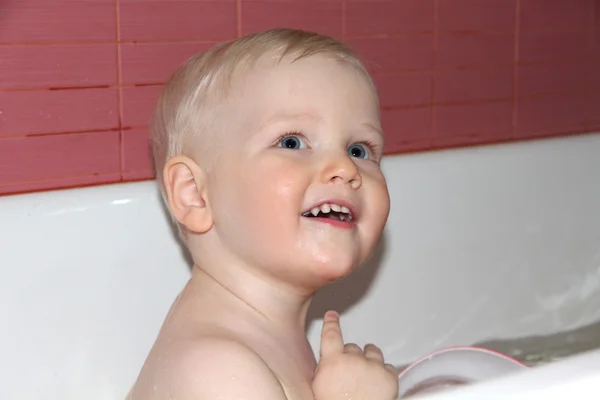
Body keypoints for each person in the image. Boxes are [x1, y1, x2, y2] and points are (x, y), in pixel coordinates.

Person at [127, 28, 397, 400]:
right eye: (291, 142)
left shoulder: (258, 340)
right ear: (195, 195)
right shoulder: (218, 369)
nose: (345, 168)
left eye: (359, 150)